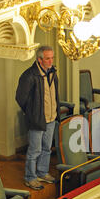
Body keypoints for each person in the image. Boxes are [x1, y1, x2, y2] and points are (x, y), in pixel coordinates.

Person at [16, 45, 61, 190]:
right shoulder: (29, 75)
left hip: (51, 118)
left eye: (52, 58)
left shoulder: (53, 73)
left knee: (47, 148)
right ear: (39, 60)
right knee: (34, 150)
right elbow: (20, 98)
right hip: (37, 120)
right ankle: (30, 177)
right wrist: (32, 112)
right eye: (48, 58)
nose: (51, 61)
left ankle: (42, 172)